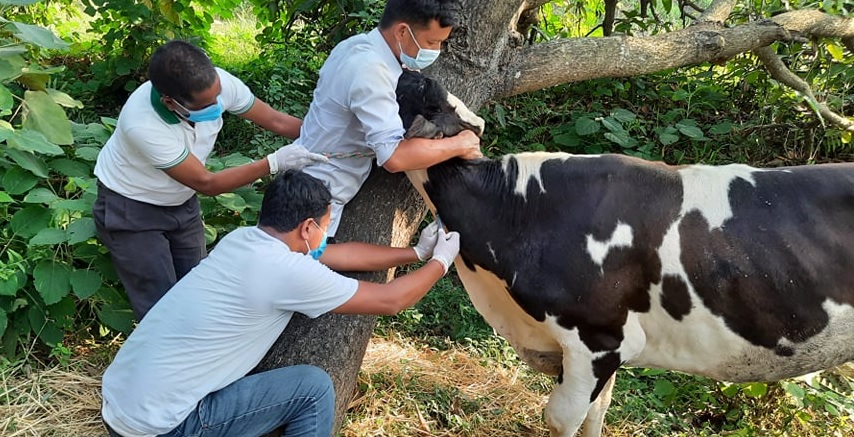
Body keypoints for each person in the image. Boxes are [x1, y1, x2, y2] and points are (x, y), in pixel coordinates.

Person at [100, 169, 460, 437]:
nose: (324, 236)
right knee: (313, 388)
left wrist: (416, 252)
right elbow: (391, 300)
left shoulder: (242, 241)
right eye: (324, 227)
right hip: (162, 427)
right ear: (307, 228)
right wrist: (440, 262)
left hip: (119, 404)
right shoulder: (286, 271)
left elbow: (340, 254)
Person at [93, 40, 327, 320]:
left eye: (218, 96)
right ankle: (168, 359)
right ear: (171, 102)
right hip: (133, 209)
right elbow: (207, 183)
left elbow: (275, 121)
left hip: (181, 202)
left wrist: (323, 139)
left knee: (197, 285)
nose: (218, 104)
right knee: (159, 305)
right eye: (207, 104)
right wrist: (273, 163)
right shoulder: (142, 124)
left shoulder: (216, 83)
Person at [296, 0, 482, 241]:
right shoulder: (371, 71)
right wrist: (462, 144)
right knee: (301, 268)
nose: (435, 51)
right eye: (431, 42)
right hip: (318, 197)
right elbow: (394, 157)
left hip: (309, 177)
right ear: (403, 31)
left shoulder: (353, 46)